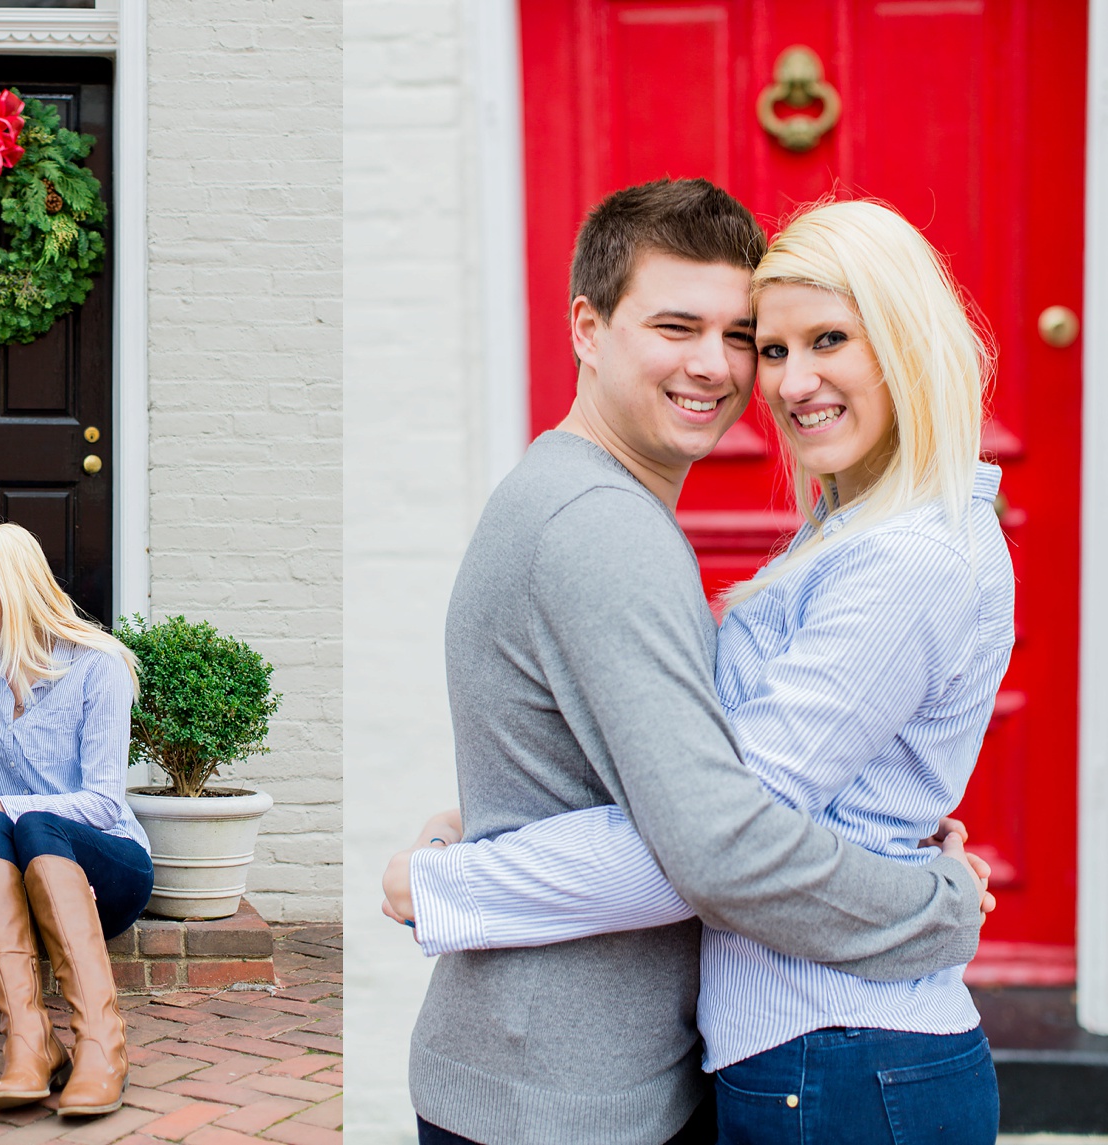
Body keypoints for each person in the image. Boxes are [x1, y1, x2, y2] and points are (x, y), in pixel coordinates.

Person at [381, 181, 994, 1145]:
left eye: (741, 335)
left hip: (624, 1064)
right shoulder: (605, 527)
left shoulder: (591, 501)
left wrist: (473, 856)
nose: (725, 368)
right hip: (566, 1087)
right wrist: (933, 905)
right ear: (588, 327)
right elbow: (718, 839)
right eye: (678, 326)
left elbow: (701, 808)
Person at [0, 522, 153, 1117]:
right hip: (18, 877)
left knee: (21, 822)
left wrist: (1, 807)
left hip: (105, 865)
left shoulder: (98, 665)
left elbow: (106, 802)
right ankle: (30, 1042)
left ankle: (102, 1045)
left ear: (4, 588)